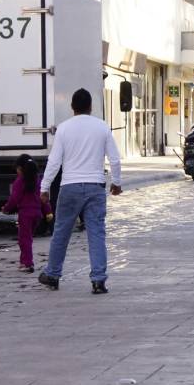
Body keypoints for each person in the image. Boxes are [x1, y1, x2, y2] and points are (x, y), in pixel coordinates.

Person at [38, 89, 122, 294]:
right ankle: (98, 280)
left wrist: (45, 186)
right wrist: (116, 182)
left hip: (69, 187)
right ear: (90, 106)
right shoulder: (102, 126)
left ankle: (53, 274)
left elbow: (54, 161)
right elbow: (115, 158)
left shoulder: (64, 129)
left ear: (72, 107)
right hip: (95, 186)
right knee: (96, 233)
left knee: (61, 233)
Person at [3, 156, 53, 274]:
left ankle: (27, 263)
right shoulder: (38, 180)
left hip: (25, 214)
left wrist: (6, 208)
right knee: (27, 238)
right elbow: (44, 199)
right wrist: (48, 211)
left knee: (24, 239)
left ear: (20, 169)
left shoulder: (19, 181)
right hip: (37, 214)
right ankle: (23, 261)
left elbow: (14, 198)